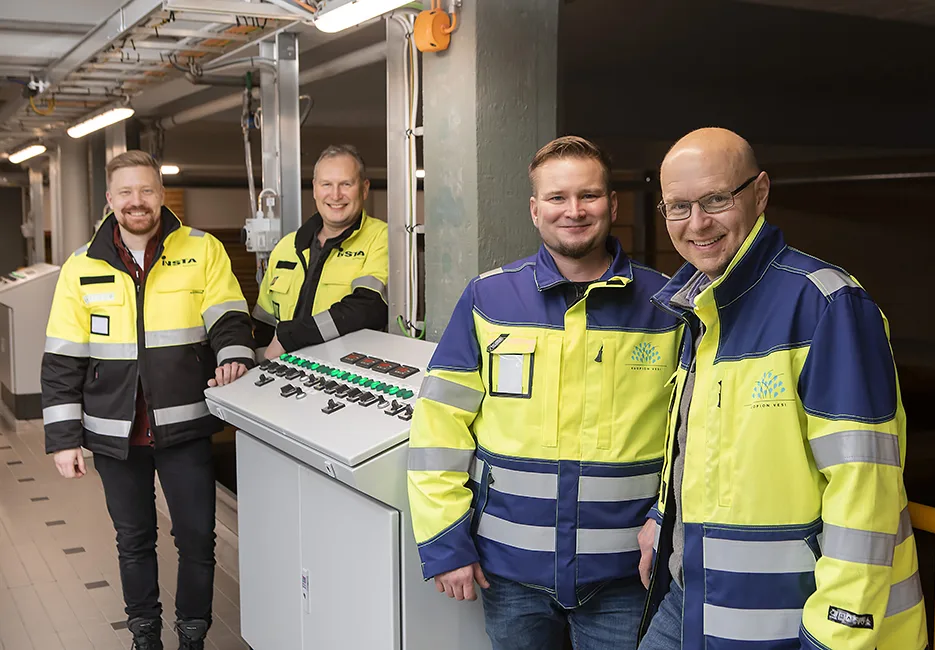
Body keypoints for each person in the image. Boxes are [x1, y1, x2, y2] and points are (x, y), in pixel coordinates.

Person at [636, 128, 928, 649]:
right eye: (678, 207)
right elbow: (699, 447)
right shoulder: (699, 306)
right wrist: (663, 518)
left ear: (760, 192)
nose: (697, 224)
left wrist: (837, 630)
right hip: (691, 600)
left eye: (715, 199)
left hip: (790, 620)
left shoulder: (826, 305)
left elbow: (865, 486)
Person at [407, 136, 684, 650]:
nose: (574, 211)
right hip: (509, 573)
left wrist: (667, 522)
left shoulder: (667, 305)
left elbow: (692, 435)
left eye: (589, 196)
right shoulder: (487, 298)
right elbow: (438, 427)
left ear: (613, 205)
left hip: (626, 572)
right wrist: (446, 542)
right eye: (557, 198)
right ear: (535, 210)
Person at [41, 150, 255, 650]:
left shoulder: (202, 249)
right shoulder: (81, 266)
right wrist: (63, 439)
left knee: (198, 539)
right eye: (126, 192)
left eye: (147, 190)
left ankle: (192, 634)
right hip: (116, 434)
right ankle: (145, 635)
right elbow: (61, 359)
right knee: (134, 542)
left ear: (161, 194)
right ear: (110, 200)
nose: (137, 201)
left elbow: (228, 316)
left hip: (185, 426)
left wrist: (235, 357)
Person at [252, 144, 389, 359]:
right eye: (327, 184)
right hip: (283, 373)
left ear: (364, 188)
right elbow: (264, 322)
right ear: (315, 188)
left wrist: (291, 337)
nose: (335, 195)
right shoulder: (287, 246)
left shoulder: (382, 238)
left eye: (346, 184)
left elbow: (368, 308)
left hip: (346, 375)